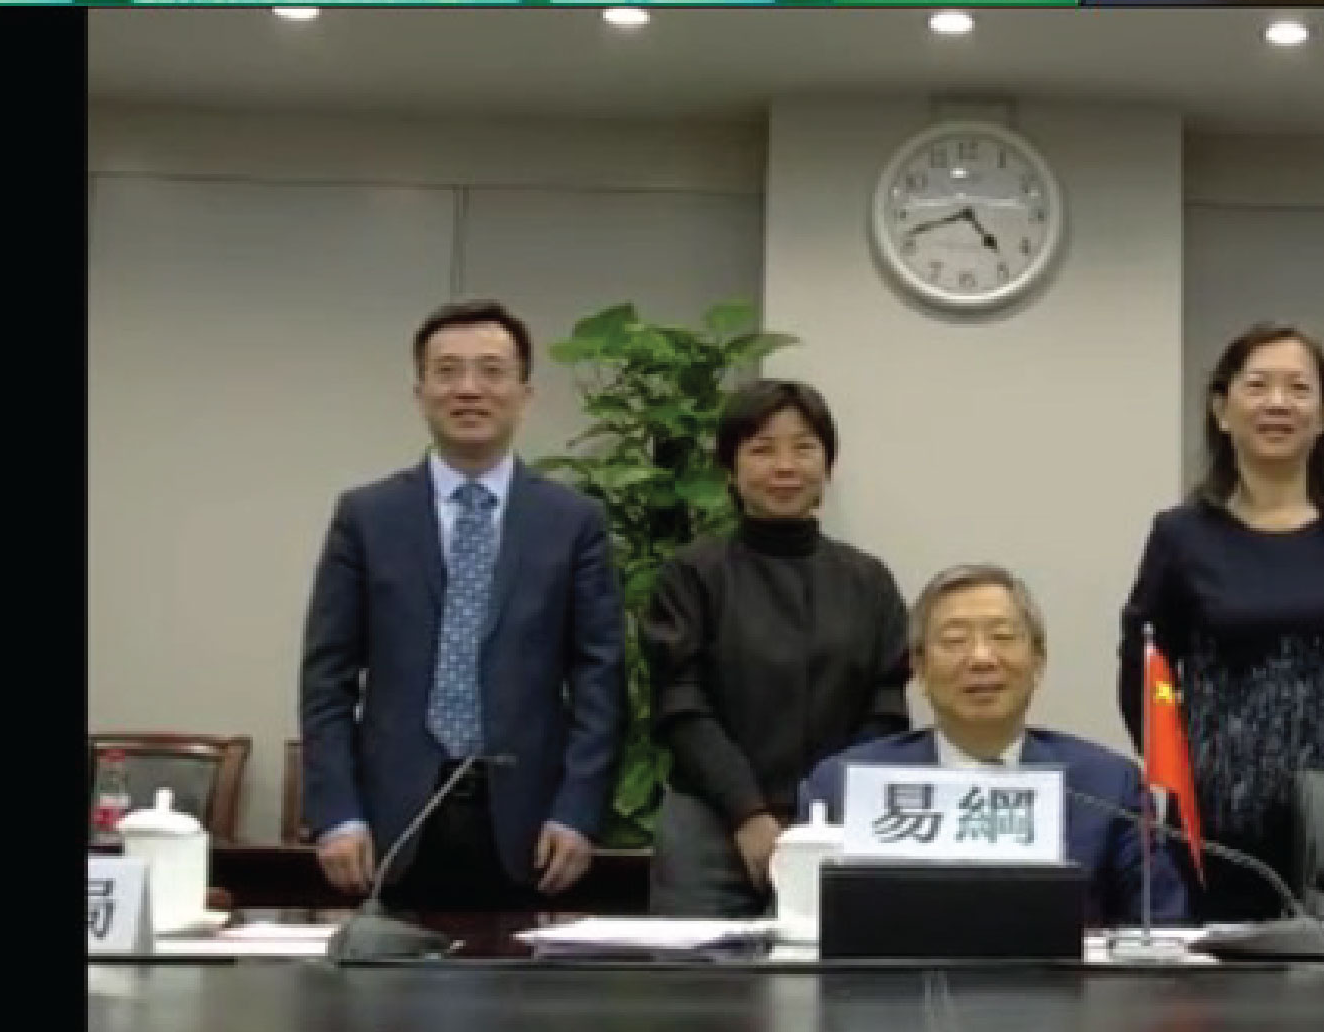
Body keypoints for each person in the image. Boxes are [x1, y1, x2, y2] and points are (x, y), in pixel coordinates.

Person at [299, 300, 624, 916]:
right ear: (420, 391)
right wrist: (335, 812)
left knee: (516, 1003)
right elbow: (327, 680)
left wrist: (579, 813)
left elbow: (599, 681)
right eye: (447, 371)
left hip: (529, 830)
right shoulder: (366, 517)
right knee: (381, 1011)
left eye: (491, 371)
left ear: (525, 393)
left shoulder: (573, 522)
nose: (469, 389)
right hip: (389, 822)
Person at [1117, 322, 1324, 918]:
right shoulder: (1180, 536)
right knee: (1220, 1001)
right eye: (1257, 386)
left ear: (1323, 415)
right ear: (1221, 409)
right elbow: (1145, 669)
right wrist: (1185, 774)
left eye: (1298, 389)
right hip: (1215, 824)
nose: (1277, 404)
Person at [638, 381, 910, 918]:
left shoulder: (869, 581)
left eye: (803, 448)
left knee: (822, 993)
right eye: (762, 449)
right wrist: (749, 814)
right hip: (709, 827)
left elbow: (885, 713)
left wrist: (818, 815)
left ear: (827, 465)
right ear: (731, 470)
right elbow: (681, 706)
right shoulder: (692, 575)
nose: (784, 466)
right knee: (702, 995)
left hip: (836, 826)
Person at [804, 565, 1192, 930]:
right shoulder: (844, 788)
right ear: (919, 670)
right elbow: (797, 929)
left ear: (1038, 661)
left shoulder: (1106, 786)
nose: (981, 659)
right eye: (954, 641)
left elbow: (1162, 929)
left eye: (1003, 637)